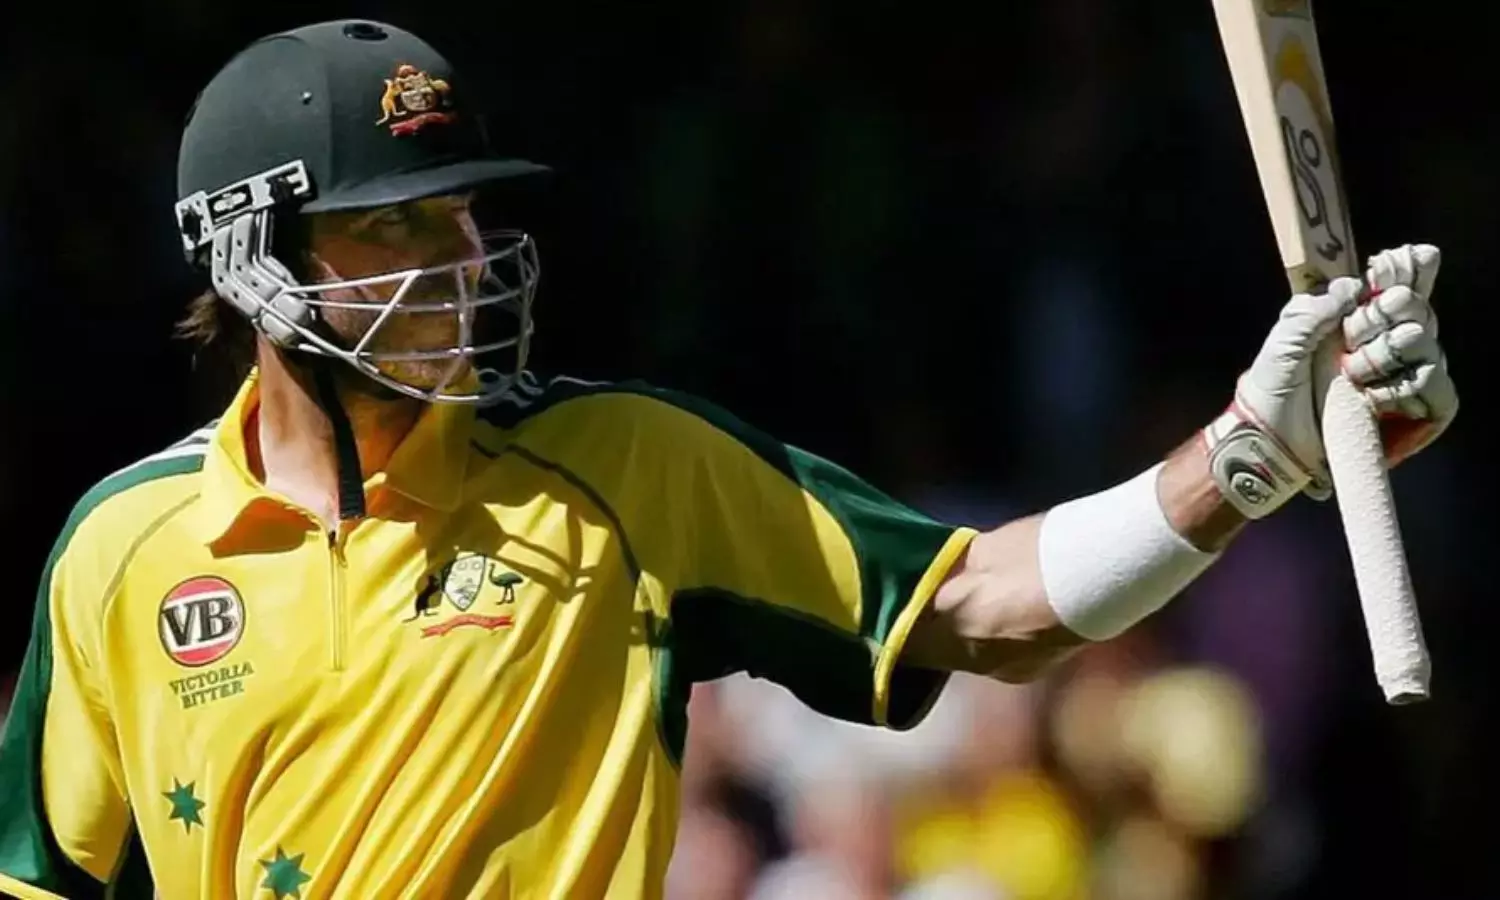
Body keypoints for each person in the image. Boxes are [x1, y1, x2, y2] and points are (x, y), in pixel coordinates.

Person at [0, 17, 1457, 900]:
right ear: (250, 260)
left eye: (466, 218)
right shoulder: (120, 552)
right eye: (400, 224)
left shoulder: (624, 468)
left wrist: (1246, 455)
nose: (462, 258)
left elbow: (981, 606)